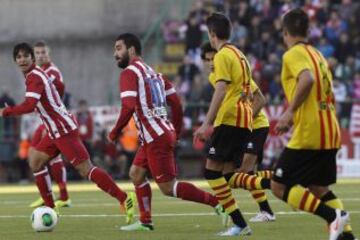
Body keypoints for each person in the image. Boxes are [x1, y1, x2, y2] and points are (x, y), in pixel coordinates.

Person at [0, 43, 135, 225]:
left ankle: (124, 197)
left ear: (32, 58)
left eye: (26, 56)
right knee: (35, 161)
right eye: (18, 57)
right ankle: (50, 207)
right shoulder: (35, 75)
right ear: (15, 60)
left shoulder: (35, 77)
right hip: (55, 129)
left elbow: (30, 105)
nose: (22, 59)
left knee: (85, 169)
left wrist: (6, 112)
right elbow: (58, 89)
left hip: (63, 130)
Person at [108, 33, 227, 232]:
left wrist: (114, 132)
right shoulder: (155, 73)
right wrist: (177, 132)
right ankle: (146, 222)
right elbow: (176, 104)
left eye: (118, 48)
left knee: (168, 188)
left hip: (155, 137)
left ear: (131, 50)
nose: (115, 54)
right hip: (158, 134)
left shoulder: (129, 73)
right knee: (136, 174)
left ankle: (219, 203)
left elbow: (128, 106)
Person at [271, 8, 354, 240]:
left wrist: (289, 113)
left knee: (279, 185)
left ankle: (332, 217)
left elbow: (307, 79)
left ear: (285, 32)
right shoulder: (318, 54)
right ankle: (347, 236)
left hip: (311, 131)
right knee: (319, 189)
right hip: (330, 129)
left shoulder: (293, 54)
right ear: (308, 30)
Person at [194, 13, 270, 236]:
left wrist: (207, 123)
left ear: (212, 34)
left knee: (211, 173)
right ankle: (242, 223)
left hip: (229, 118)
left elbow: (221, 90)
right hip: (244, 120)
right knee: (229, 176)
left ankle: (242, 221)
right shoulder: (240, 55)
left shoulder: (222, 55)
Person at [29, 41, 71, 208]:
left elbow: (58, 95)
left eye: (43, 52)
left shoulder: (51, 72)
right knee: (38, 155)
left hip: (54, 120)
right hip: (46, 120)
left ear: (49, 54)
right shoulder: (40, 71)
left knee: (41, 156)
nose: (40, 55)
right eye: (37, 53)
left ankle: (60, 196)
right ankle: (54, 194)